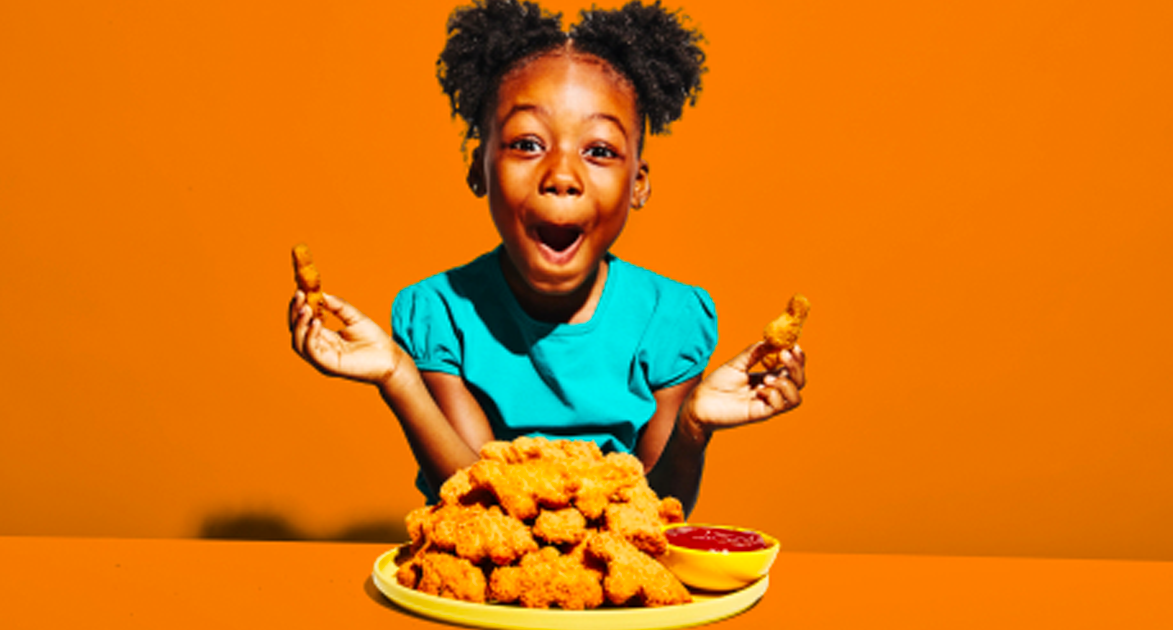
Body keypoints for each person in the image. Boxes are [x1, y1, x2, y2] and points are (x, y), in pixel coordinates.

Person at [288, 0, 805, 516]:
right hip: (479, 581)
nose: (561, 176)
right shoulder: (440, 315)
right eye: (528, 143)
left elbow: (656, 515)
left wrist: (694, 426)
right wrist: (398, 376)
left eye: (599, 150)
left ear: (638, 184)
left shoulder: (670, 320)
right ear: (479, 170)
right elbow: (476, 502)